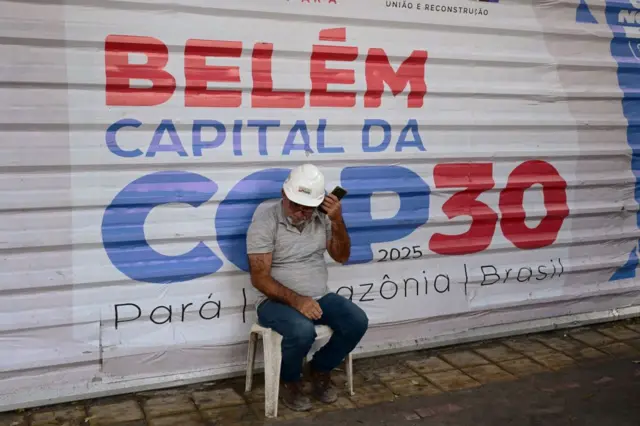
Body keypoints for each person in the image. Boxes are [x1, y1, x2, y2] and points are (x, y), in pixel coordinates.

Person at [246, 164, 369, 412]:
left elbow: (342, 256)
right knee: (302, 331)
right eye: (296, 205)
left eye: (308, 207)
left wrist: (337, 221)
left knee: (356, 321)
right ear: (284, 194)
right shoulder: (264, 223)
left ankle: (319, 369)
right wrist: (297, 300)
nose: (302, 212)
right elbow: (260, 278)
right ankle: (290, 380)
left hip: (319, 295)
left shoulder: (322, 218)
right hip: (274, 302)